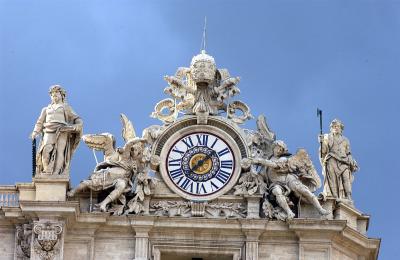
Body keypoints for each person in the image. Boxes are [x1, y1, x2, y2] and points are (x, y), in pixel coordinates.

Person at [253, 140, 329, 219]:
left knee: (303, 190)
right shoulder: (265, 167)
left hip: (288, 179)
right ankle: (289, 212)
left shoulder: (283, 159)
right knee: (277, 192)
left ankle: (320, 209)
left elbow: (275, 165)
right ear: (273, 148)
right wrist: (254, 173)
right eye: (278, 148)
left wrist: (259, 160)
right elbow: (261, 175)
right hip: (276, 184)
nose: (279, 150)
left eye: (281, 149)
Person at [30, 85, 82, 175]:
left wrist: (78, 125)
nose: (54, 95)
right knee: (45, 150)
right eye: (52, 94)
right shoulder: (46, 109)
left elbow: (77, 118)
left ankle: (56, 173)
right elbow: (39, 122)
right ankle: (46, 170)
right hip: (48, 130)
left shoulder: (66, 107)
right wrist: (35, 132)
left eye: (57, 93)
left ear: (62, 95)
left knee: (59, 151)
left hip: (62, 130)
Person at [319, 119, 358, 201]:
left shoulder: (346, 140)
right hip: (332, 159)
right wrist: (322, 142)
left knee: (346, 178)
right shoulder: (327, 137)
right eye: (334, 126)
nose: (336, 128)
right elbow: (324, 152)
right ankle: (335, 197)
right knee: (332, 180)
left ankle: (348, 197)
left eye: (337, 126)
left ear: (341, 128)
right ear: (331, 128)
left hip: (344, 161)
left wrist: (352, 161)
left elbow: (348, 153)